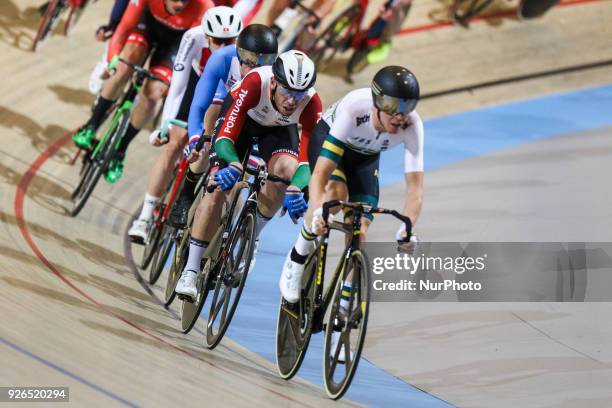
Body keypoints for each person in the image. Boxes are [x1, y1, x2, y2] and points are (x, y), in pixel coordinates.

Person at [174, 50, 323, 301]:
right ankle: (191, 268)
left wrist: (297, 188)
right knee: (217, 187)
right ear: (274, 82)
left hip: (277, 132)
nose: (292, 100)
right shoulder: (255, 82)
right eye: (288, 91)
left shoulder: (311, 103)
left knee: (286, 171)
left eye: (300, 94)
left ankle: (251, 236)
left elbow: (308, 162)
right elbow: (224, 138)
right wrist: (232, 165)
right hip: (240, 125)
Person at [280, 65, 424, 302]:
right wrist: (318, 210)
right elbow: (320, 174)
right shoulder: (355, 108)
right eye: (391, 107)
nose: (399, 116)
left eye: (406, 107)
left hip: (366, 156)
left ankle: (346, 298)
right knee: (334, 197)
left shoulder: (413, 126)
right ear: (376, 102)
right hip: (331, 140)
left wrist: (407, 228)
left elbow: (415, 188)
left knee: (360, 222)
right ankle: (297, 257)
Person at [127, 6, 242, 243]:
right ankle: (146, 216)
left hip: (224, 93)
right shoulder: (193, 37)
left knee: (213, 152)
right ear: (207, 36)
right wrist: (164, 125)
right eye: (218, 41)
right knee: (174, 144)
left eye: (228, 40)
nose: (222, 46)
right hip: (195, 83)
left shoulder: (242, 53)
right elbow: (178, 86)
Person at [72, 0, 214, 183]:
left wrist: (172, 88)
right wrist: (112, 62)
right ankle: (91, 125)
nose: (179, 4)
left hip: (178, 44)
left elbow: (188, 62)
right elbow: (124, 28)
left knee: (153, 95)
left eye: (185, 0)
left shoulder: (204, 8)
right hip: (146, 26)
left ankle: (120, 150)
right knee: (124, 67)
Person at [165, 23, 277, 230]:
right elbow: (199, 104)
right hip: (222, 104)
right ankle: (186, 195)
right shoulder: (222, 58)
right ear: (239, 54)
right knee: (208, 133)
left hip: (250, 115)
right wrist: (195, 137)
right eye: (251, 61)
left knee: (236, 180)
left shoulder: (275, 74)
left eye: (263, 62)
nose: (256, 67)